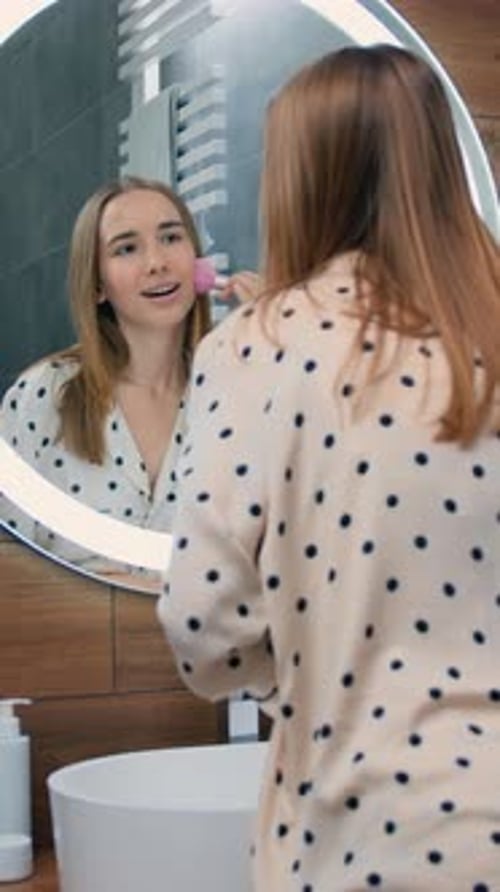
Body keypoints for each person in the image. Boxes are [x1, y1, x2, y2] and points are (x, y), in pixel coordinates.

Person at [158, 45, 500, 890]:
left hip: (369, 832)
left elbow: (204, 627)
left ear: (302, 178)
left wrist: (309, 657)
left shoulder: (257, 346)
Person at [0, 175, 256, 577]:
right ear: (98, 284)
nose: (157, 262)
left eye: (171, 238)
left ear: (198, 262)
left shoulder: (235, 398)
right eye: (127, 248)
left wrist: (282, 354)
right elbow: (8, 569)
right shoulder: (44, 396)